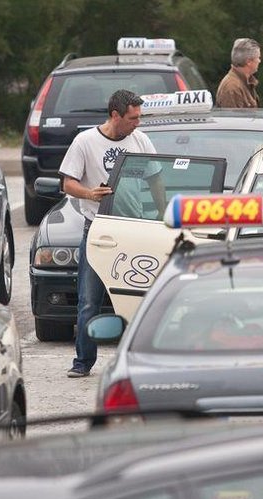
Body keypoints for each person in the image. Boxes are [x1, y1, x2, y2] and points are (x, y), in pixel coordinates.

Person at [59, 89, 157, 378]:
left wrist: (164, 214)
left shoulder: (140, 140)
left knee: (140, 296)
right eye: (133, 118)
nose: (137, 123)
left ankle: (141, 360)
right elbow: (67, 184)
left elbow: (156, 179)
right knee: (89, 299)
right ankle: (83, 362)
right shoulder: (85, 142)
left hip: (134, 227)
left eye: (139, 117)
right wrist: (89, 193)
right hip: (99, 230)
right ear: (115, 115)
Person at [216, 38, 261, 108]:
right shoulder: (232, 88)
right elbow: (233, 118)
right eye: (258, 57)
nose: (259, 61)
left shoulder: (244, 83)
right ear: (248, 61)